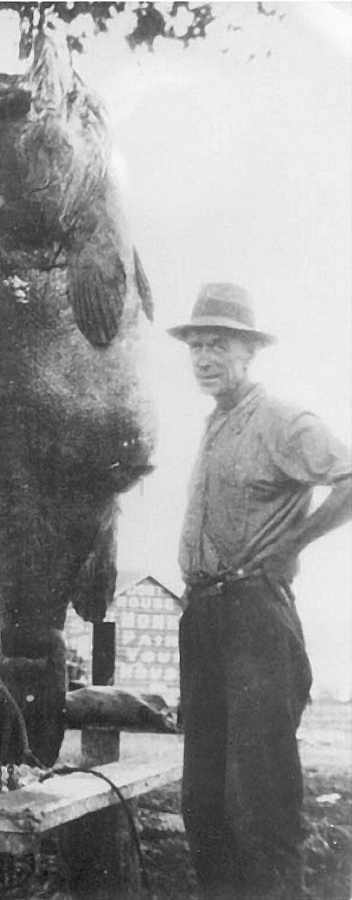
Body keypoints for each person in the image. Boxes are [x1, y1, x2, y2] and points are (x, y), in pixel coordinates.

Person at [167, 283, 352, 900]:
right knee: (202, 799)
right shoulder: (218, 424)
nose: (204, 357)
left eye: (218, 344)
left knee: (259, 798)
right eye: (196, 345)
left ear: (249, 351)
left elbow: (349, 476)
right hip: (203, 617)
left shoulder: (281, 421)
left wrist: (292, 544)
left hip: (254, 617)